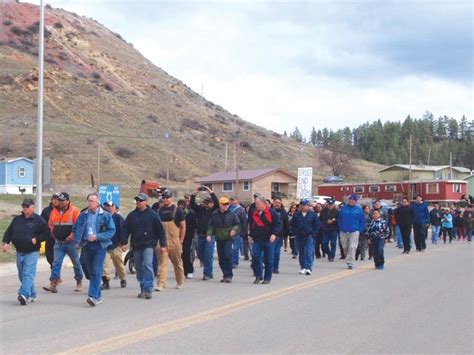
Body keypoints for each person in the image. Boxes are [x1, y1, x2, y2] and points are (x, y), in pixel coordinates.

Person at [3, 199, 50, 305]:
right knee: (22, 275)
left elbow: (47, 233)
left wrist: (37, 239)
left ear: (33, 207)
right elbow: (9, 231)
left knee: (27, 274)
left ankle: (23, 294)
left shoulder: (38, 220)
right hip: (19, 252)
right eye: (23, 206)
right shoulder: (17, 219)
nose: (25, 208)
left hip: (32, 252)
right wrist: (6, 242)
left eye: (27, 206)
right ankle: (32, 293)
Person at [73, 193, 116, 306]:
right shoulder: (83, 215)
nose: (90, 203)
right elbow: (75, 227)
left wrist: (97, 236)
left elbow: (111, 231)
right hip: (87, 245)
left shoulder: (105, 215)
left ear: (97, 203)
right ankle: (98, 296)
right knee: (91, 271)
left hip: (99, 246)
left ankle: (92, 296)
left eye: (92, 201)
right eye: (88, 201)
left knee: (97, 271)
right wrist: (78, 241)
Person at [123, 193, 166, 299]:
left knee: (147, 264)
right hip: (136, 245)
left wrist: (163, 244)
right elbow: (126, 229)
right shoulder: (132, 215)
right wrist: (124, 242)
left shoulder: (152, 214)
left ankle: (148, 288)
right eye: (137, 200)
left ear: (146, 202)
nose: (138, 202)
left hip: (149, 244)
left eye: (141, 200)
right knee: (138, 267)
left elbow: (160, 230)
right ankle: (142, 288)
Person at [43, 192, 83, 293]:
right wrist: (53, 232)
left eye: (62, 200)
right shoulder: (54, 211)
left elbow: (79, 226)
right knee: (56, 263)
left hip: (71, 242)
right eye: (59, 200)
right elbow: (50, 224)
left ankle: (79, 281)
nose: (60, 202)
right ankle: (53, 283)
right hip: (59, 242)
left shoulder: (74, 211)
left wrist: (72, 236)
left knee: (76, 262)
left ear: (68, 201)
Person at [248, 195, 281, 284]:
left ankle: (267, 278)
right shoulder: (254, 213)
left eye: (257, 203)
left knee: (268, 259)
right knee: (255, 257)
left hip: (268, 240)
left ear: (263, 203)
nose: (256, 205)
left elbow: (278, 224)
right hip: (257, 240)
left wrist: (274, 234)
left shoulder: (271, 212)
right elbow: (252, 225)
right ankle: (258, 276)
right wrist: (250, 236)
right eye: (255, 203)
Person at [156, 190, 186, 291]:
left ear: (171, 198)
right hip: (162, 242)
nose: (165, 199)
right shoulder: (159, 211)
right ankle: (161, 284)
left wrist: (181, 240)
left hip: (175, 241)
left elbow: (183, 226)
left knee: (177, 263)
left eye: (167, 197)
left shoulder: (177, 210)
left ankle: (180, 281)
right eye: (164, 197)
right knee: (162, 264)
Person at [207, 197, 240, 283]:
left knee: (227, 254)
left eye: (227, 204)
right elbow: (211, 225)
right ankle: (225, 274)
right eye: (224, 204)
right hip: (219, 238)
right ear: (220, 204)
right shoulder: (214, 214)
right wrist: (209, 234)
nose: (226, 206)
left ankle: (229, 275)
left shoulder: (232, 214)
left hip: (228, 238)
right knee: (221, 258)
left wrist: (234, 230)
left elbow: (237, 224)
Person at [190, 186, 219, 280]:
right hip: (200, 235)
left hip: (210, 235)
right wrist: (194, 194)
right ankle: (209, 271)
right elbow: (192, 205)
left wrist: (211, 192)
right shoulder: (200, 210)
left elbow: (217, 203)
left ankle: (207, 273)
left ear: (211, 203)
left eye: (208, 203)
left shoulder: (214, 211)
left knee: (208, 254)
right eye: (205, 203)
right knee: (201, 254)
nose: (206, 205)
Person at [101, 201, 127, 289]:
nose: (108, 207)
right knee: (104, 265)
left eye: (110, 206)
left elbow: (123, 231)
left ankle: (123, 278)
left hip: (116, 246)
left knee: (119, 265)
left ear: (114, 207)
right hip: (105, 246)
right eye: (106, 206)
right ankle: (105, 282)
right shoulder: (102, 217)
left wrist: (123, 243)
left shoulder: (118, 218)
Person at [291, 199, 320, 275]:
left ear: (308, 206)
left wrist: (313, 234)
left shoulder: (313, 215)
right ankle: (303, 267)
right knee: (301, 252)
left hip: (309, 235)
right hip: (299, 235)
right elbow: (293, 224)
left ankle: (308, 267)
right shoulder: (297, 214)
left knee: (308, 251)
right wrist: (294, 232)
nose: (303, 206)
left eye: (305, 205)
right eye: (302, 205)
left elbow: (317, 225)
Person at [337, 194, 365, 269]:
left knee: (352, 247)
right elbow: (339, 219)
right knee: (345, 246)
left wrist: (359, 229)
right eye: (350, 199)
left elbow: (362, 221)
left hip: (354, 231)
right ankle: (348, 259)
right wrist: (340, 227)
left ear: (355, 201)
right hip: (344, 231)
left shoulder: (359, 210)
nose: (351, 201)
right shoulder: (343, 209)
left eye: (353, 200)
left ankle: (351, 262)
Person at [177, 198, 197, 279]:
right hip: (178, 236)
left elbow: (194, 225)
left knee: (187, 254)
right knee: (180, 255)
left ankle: (189, 270)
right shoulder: (176, 214)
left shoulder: (190, 213)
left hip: (188, 236)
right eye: (180, 206)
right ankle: (182, 271)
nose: (181, 208)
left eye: (183, 206)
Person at [40, 192, 60, 268]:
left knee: (57, 258)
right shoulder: (46, 211)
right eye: (54, 199)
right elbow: (41, 223)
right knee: (49, 258)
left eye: (57, 199)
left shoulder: (62, 210)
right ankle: (54, 271)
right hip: (49, 238)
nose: (55, 201)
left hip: (59, 238)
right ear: (51, 200)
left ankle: (55, 275)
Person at [229, 196, 248, 268]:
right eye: (231, 200)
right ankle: (229, 262)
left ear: (237, 201)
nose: (232, 202)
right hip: (228, 232)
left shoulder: (240, 210)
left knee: (235, 248)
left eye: (233, 200)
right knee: (229, 248)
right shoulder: (228, 208)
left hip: (237, 232)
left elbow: (244, 222)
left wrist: (243, 232)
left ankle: (234, 262)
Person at [272, 197, 289, 274]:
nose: (277, 204)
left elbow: (286, 225)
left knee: (276, 252)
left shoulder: (283, 213)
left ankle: (275, 267)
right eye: (276, 202)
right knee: (270, 252)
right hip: (270, 235)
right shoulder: (270, 211)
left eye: (279, 203)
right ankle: (269, 266)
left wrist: (286, 234)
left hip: (279, 236)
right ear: (273, 202)